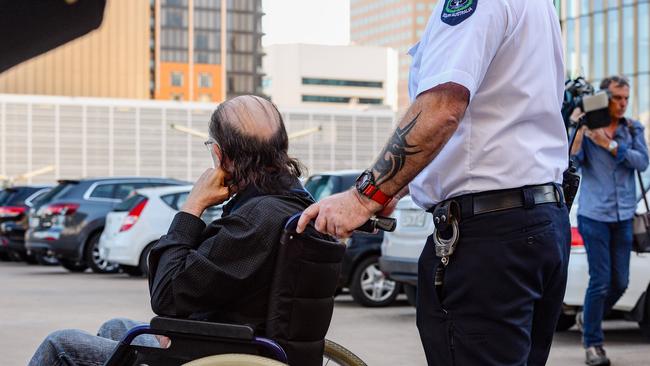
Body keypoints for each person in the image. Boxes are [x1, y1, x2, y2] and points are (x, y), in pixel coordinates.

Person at [297, 1, 571, 365]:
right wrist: (395, 187)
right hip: (538, 222)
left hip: (490, 236)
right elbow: (491, 129)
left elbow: (443, 107)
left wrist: (364, 197)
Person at [29, 95, 315, 365]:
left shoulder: (256, 219)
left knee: (60, 345)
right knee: (116, 327)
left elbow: (166, 296)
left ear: (220, 155)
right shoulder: (292, 204)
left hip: (219, 353)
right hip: (237, 342)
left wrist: (192, 206)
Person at [570, 76, 649, 366]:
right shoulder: (588, 129)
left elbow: (642, 161)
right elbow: (572, 162)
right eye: (617, 98)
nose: (623, 103)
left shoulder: (632, 128)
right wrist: (580, 128)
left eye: (626, 98)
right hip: (594, 217)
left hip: (625, 216)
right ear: (604, 98)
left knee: (621, 282)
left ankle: (587, 316)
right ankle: (593, 344)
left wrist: (611, 145)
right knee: (601, 281)